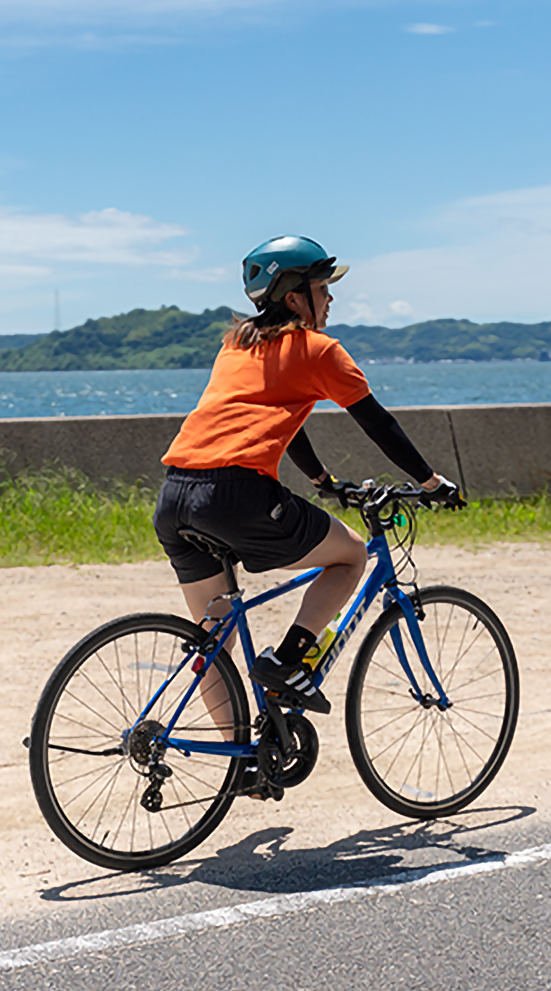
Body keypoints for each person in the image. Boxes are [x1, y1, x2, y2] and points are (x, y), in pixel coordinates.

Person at [154, 235, 465, 715]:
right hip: (236, 496)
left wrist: (322, 481)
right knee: (350, 556)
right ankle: (288, 659)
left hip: (175, 495)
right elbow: (377, 422)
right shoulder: (318, 349)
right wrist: (431, 481)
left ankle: (242, 766)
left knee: (216, 642)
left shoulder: (236, 345)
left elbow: (282, 417)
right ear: (295, 296)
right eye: (323, 288)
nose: (331, 298)